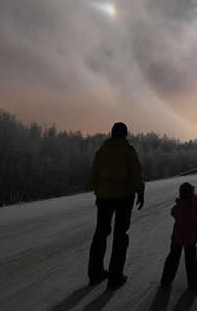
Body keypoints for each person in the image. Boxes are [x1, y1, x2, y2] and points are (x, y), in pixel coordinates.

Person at [88, 122, 145, 290]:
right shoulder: (128, 151)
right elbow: (136, 173)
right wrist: (140, 193)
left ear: (112, 133)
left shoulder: (102, 151)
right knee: (120, 235)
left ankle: (95, 273)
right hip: (124, 198)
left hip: (104, 197)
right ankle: (115, 277)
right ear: (125, 134)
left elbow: (94, 174)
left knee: (100, 233)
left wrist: (98, 192)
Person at [160, 182, 197, 291]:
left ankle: (166, 280)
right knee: (191, 261)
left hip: (177, 237)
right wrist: (193, 201)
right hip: (191, 237)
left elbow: (173, 213)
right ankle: (193, 283)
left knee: (173, 258)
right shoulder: (194, 206)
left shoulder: (178, 207)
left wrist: (180, 202)